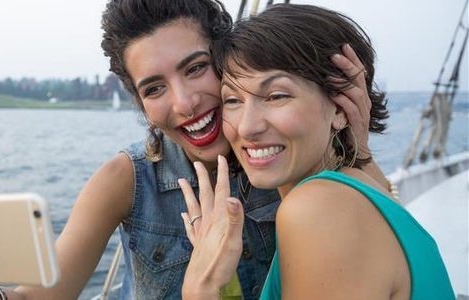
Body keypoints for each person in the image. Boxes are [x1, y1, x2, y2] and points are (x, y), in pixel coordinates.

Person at [0, 1, 385, 300]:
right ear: (138, 102)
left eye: (197, 68)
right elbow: (45, 292)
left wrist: (355, 153)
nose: (185, 103)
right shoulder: (128, 179)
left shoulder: (291, 161)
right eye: (154, 88)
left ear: (231, 60)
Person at [179, 4, 455, 300]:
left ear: (340, 106)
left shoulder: (316, 210)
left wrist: (200, 290)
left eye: (276, 96)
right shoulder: (364, 186)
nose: (246, 127)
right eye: (232, 100)